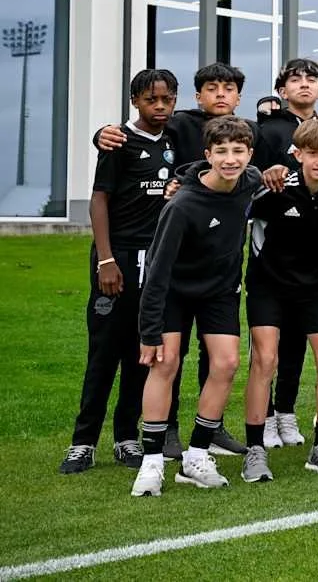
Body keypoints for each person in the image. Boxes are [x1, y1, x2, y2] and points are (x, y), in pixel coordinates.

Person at [94, 63, 257, 459]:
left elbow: (270, 168)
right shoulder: (180, 124)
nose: (221, 95)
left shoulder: (253, 131)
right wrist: (100, 134)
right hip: (171, 251)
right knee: (168, 354)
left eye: (230, 88)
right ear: (198, 96)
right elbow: (137, 134)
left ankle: (211, 430)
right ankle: (164, 431)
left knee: (219, 356)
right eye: (212, 88)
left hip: (218, 270)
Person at [130, 117, 262, 496]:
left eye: (238, 151)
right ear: (208, 155)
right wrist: (149, 331)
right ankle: (152, 461)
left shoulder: (249, 181)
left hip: (219, 292)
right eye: (221, 151)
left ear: (248, 154)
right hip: (173, 291)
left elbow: (268, 175)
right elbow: (156, 272)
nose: (230, 159)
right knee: (165, 362)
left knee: (227, 363)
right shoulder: (182, 205)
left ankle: (197, 455)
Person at [61, 70, 178, 475]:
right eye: (151, 100)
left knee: (140, 354)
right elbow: (98, 201)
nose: (159, 106)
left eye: (166, 99)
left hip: (157, 261)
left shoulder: (173, 140)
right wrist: (106, 260)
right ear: (135, 101)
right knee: (104, 354)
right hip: (119, 260)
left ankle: (126, 437)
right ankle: (82, 442)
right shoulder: (118, 143)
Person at [240, 118, 318, 482]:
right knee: (265, 360)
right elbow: (232, 194)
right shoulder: (275, 187)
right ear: (297, 154)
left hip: (316, 287)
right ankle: (255, 448)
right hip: (268, 286)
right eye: (312, 153)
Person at [253, 58, 318, 449]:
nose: (303, 85)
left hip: (312, 256)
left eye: (311, 80)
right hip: (273, 248)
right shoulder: (268, 128)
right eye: (295, 80)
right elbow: (252, 174)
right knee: (267, 345)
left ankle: (284, 413)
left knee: (298, 342)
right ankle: (264, 417)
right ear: (282, 90)